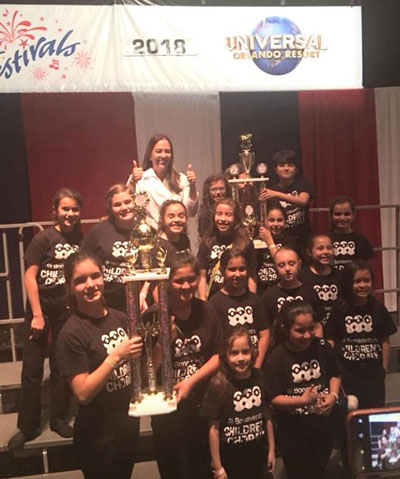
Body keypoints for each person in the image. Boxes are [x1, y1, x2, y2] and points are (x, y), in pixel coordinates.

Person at [8, 188, 83, 449]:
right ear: (55, 211)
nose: (70, 214)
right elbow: (30, 276)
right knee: (32, 369)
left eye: (74, 209)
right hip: (40, 310)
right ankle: (27, 427)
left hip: (66, 311)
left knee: (62, 368)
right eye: (65, 209)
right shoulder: (43, 238)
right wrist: (37, 315)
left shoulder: (80, 238)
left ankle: (59, 419)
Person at [57, 252, 143, 479]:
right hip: (97, 438)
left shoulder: (121, 318)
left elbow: (139, 371)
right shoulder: (71, 333)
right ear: (69, 287)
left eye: (95, 276)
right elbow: (83, 393)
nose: (90, 284)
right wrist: (114, 357)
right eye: (80, 280)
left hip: (126, 428)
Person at [149, 252, 223, 479]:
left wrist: (191, 381)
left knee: (200, 467)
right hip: (167, 411)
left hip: (202, 404)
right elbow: (146, 371)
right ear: (167, 282)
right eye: (179, 280)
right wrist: (163, 343)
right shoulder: (152, 317)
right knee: (172, 469)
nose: (186, 285)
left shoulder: (206, 309)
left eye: (191, 279)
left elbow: (219, 355)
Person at [264, 300, 341, 479]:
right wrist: (302, 401)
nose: (307, 335)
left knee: (319, 470)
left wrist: (333, 395)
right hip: (293, 429)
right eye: (299, 330)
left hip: (321, 424)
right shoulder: (277, 357)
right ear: (286, 329)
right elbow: (273, 398)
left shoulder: (321, 346)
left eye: (311, 328)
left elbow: (335, 373)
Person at [201, 326, 275, 479]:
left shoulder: (260, 377)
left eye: (245, 352)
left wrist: (272, 449)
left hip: (257, 452)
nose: (241, 358)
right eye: (234, 353)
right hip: (231, 456)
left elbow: (266, 415)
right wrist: (218, 467)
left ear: (253, 352)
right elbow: (214, 428)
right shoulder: (219, 384)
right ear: (225, 355)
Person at [326, 260, 397, 408]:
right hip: (348, 375)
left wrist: (383, 367)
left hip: (373, 375)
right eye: (357, 281)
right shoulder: (339, 309)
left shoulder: (378, 308)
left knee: (375, 413)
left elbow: (385, 339)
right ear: (348, 283)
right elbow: (331, 338)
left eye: (367, 280)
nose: (363, 285)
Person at [209, 249, 269, 368]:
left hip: (254, 364)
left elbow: (264, 335)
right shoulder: (214, 303)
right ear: (222, 271)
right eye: (232, 269)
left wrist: (256, 366)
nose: (238, 274)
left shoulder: (254, 300)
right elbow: (216, 344)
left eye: (242, 269)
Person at [81, 183, 135, 312]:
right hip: (106, 301)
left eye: (128, 202)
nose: (124, 207)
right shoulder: (98, 231)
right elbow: (82, 261)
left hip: (137, 299)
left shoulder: (146, 231)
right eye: (117, 204)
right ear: (110, 208)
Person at [132, 134, 198, 229]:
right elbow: (133, 209)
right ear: (150, 155)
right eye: (158, 151)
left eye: (167, 151)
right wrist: (132, 183)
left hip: (177, 236)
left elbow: (191, 212)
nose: (163, 155)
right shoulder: (140, 179)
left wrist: (192, 185)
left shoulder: (182, 179)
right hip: (150, 237)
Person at [197, 198, 256, 300]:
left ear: (236, 218)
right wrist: (203, 303)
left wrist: (252, 302)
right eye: (219, 214)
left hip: (240, 298)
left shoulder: (245, 243)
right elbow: (201, 277)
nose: (223, 219)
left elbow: (251, 275)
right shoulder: (207, 242)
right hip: (214, 298)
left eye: (228, 215)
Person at [261, 247, 323, 338]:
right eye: (281, 265)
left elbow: (317, 325)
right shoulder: (269, 296)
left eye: (291, 264)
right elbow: (266, 329)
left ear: (299, 264)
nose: (287, 269)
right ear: (275, 268)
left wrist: (318, 347)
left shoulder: (310, 292)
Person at [259, 149, 314, 247]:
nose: (286, 168)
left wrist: (278, 194)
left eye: (290, 165)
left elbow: (302, 201)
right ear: (276, 169)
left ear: (296, 169)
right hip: (283, 241)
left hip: (304, 237)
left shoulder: (303, 183)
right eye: (282, 165)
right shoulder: (271, 192)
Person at [299, 234, 342, 328]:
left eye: (329, 248)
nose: (326, 252)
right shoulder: (301, 277)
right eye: (320, 248)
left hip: (336, 327)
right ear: (309, 252)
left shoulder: (340, 276)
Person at [256, 205, 299, 294]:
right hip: (261, 288)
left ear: (285, 221)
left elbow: (282, 261)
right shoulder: (257, 240)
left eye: (279, 220)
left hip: (281, 288)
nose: (276, 224)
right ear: (264, 221)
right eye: (271, 220)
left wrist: (269, 241)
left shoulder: (291, 241)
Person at [329, 195, 374, 271]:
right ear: (331, 215)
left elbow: (366, 268)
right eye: (338, 214)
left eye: (347, 214)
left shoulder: (361, 240)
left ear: (354, 215)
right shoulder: (326, 239)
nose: (342, 218)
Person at [198, 174, 230, 238]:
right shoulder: (205, 214)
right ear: (208, 192)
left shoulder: (233, 209)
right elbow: (205, 239)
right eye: (214, 189)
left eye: (221, 188)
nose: (218, 192)